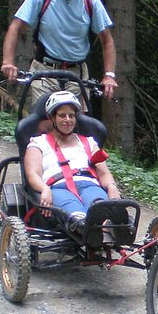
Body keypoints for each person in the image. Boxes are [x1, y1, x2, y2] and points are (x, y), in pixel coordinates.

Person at [1, 0, 118, 111]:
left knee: (78, 125)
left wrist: (109, 76)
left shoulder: (90, 1)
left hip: (77, 74)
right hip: (44, 71)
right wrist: (8, 62)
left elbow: (107, 40)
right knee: (45, 120)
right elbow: (15, 28)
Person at [23, 91, 122, 235]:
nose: (67, 120)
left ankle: (110, 224)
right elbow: (33, 174)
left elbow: (103, 171)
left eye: (71, 115)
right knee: (75, 213)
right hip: (58, 187)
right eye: (62, 115)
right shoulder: (38, 143)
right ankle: (88, 228)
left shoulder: (88, 142)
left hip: (88, 183)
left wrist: (112, 187)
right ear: (52, 118)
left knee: (99, 206)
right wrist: (45, 189)